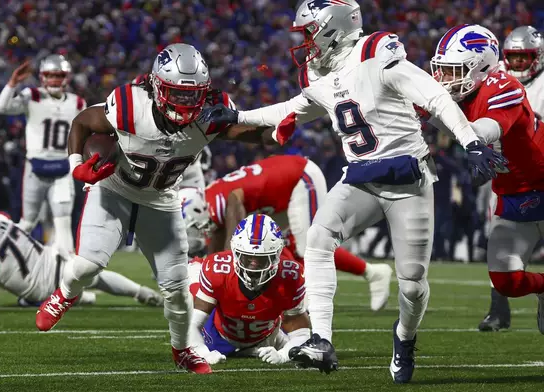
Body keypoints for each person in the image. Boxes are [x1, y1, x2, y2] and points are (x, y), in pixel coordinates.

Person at [200, 0, 506, 383]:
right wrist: (240, 116)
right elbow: (295, 108)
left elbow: (433, 94)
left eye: (310, 32)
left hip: (408, 179)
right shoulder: (322, 73)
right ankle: (321, 340)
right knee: (318, 237)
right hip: (361, 176)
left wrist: (469, 141)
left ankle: (405, 336)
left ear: (333, 27)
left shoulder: (377, 52)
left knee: (411, 283)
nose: (306, 42)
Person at [34, 43, 276, 374]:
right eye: (178, 93)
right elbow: (82, 122)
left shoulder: (212, 113)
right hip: (113, 189)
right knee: (88, 266)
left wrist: (283, 123)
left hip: (160, 200)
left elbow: (260, 135)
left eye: (194, 95)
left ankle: (183, 351)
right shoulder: (130, 104)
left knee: (177, 291)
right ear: (157, 86)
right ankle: (64, 294)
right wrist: (77, 167)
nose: (187, 103)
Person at [430, 24, 544, 334]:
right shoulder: (460, 89)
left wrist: (471, 141)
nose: (444, 78)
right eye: (442, 70)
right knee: (505, 280)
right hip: (512, 192)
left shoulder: (503, 85)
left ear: (480, 67)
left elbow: (490, 127)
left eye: (453, 70)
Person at [179, 155, 393, 312]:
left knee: (308, 246)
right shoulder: (208, 206)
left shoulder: (215, 203)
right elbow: (216, 260)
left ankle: (309, 303)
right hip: (274, 197)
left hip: (299, 178)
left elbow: (235, 200)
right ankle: (372, 272)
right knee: (281, 247)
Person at [0, 206, 163, 308]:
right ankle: (140, 293)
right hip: (58, 262)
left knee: (32, 298)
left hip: (44, 291)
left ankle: (78, 299)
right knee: (94, 276)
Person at [478, 25, 544, 332]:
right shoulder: (494, 78)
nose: (518, 63)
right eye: (513, 57)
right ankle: (498, 309)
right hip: (507, 176)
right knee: (502, 250)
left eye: (524, 57)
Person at [187, 213, 310, 366]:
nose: (253, 265)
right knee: (192, 273)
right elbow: (191, 325)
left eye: (261, 258)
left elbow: (302, 334)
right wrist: (204, 353)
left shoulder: (290, 277)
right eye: (247, 257)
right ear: (235, 253)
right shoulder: (218, 270)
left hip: (267, 337)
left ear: (277, 255)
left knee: (309, 346)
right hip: (218, 334)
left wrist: (283, 355)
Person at [0, 55, 85, 257]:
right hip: (35, 169)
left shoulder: (77, 103)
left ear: (66, 77)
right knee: (28, 222)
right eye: (50, 75)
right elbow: (1, 107)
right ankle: (0, 257)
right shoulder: (32, 95)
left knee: (63, 222)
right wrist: (12, 84)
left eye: (58, 75)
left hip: (62, 170)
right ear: (43, 77)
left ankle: (68, 276)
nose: (54, 80)